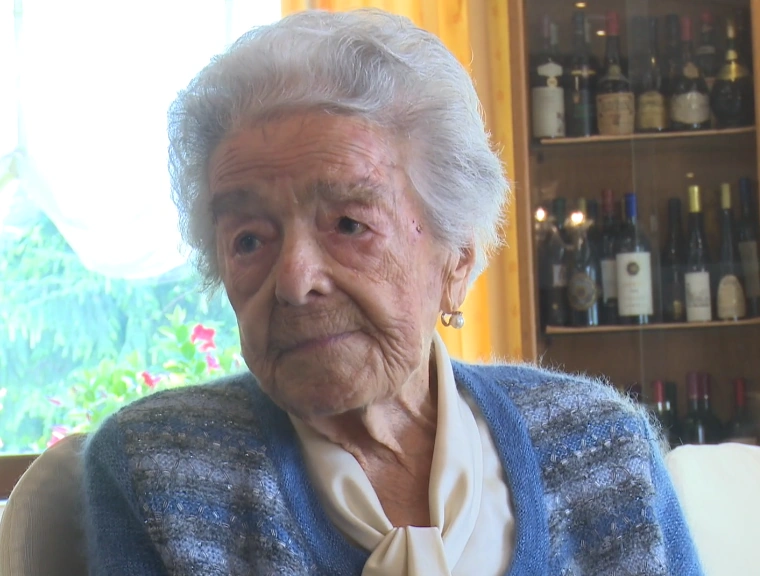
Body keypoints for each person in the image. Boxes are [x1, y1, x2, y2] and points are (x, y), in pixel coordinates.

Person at [83, 9, 704, 576]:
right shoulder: (161, 472)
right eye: (248, 240)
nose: (295, 281)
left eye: (349, 224)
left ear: (457, 259)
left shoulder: (603, 451)